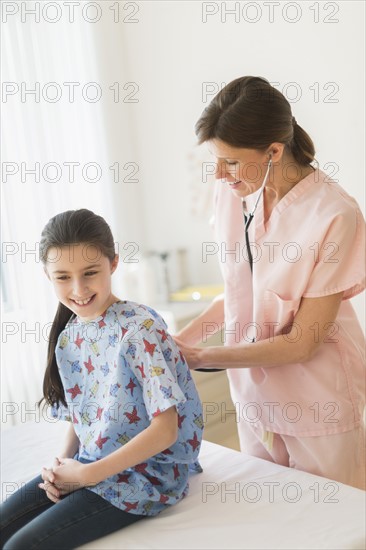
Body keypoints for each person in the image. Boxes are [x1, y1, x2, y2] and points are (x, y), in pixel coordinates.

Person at [174, 76, 365, 490]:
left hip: (318, 400)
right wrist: (176, 344)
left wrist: (200, 357)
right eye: (215, 160)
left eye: (231, 161)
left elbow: (303, 342)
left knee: (332, 524)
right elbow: (241, 293)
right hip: (254, 395)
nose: (220, 173)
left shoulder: (334, 214)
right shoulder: (234, 192)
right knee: (271, 515)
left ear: (275, 150)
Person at [0, 209, 203, 550]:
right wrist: (62, 465)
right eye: (62, 277)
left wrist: (88, 475)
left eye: (90, 272)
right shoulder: (70, 335)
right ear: (47, 276)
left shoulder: (139, 330)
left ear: (114, 263)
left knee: (20, 547)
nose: (78, 289)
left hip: (147, 475)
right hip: (90, 463)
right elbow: (85, 415)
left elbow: (166, 429)